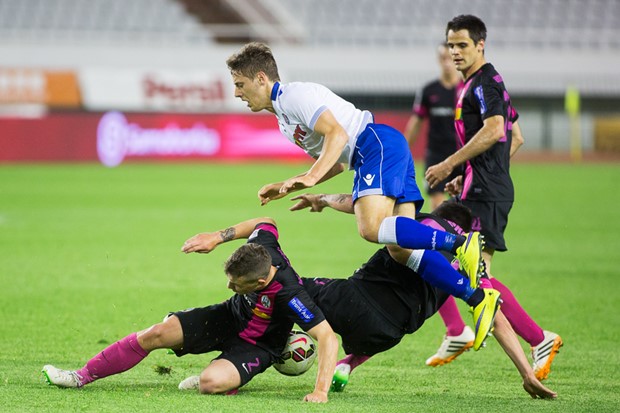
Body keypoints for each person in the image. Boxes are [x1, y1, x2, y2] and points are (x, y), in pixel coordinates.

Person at [226, 42, 499, 350]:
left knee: (370, 228)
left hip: (375, 144)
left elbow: (339, 136)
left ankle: (462, 244)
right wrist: (297, 184)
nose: (237, 93)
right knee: (400, 249)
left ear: (261, 78)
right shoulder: (283, 121)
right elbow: (340, 159)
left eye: (240, 84)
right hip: (374, 153)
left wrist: (310, 176)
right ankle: (476, 297)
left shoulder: (294, 96)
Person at [180, 200, 557, 400]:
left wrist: (325, 199)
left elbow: (365, 207)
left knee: (281, 286)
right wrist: (526, 373)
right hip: (387, 336)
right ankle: (346, 362)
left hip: (356, 302)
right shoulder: (473, 268)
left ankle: (238, 357)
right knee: (403, 304)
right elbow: (496, 316)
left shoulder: (425, 225)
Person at [42, 217, 339, 403]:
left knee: (210, 383)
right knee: (157, 332)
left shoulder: (290, 295)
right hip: (228, 317)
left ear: (262, 281)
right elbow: (266, 220)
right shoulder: (262, 245)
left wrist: (320, 392)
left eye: (237, 285)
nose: (230, 287)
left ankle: (226, 377)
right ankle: (80, 376)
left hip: (258, 345)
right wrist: (217, 236)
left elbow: (327, 337)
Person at [424, 15, 562, 379]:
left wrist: (451, 165)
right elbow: (515, 138)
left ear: (480, 45)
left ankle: (537, 338)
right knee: (440, 255)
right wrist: (469, 174)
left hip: (486, 196)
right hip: (480, 189)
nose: (454, 51)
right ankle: (458, 331)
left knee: (472, 274)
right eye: (450, 45)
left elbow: (497, 129)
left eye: (462, 45)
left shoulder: (485, 82)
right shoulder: (478, 84)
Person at [403, 43, 463, 211]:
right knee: (437, 205)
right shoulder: (429, 91)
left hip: (462, 154)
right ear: (438, 60)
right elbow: (416, 123)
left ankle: (462, 237)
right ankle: (440, 236)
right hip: (436, 155)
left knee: (462, 204)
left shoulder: (467, 90)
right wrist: (402, 151)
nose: (447, 63)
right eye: (443, 58)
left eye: (450, 58)